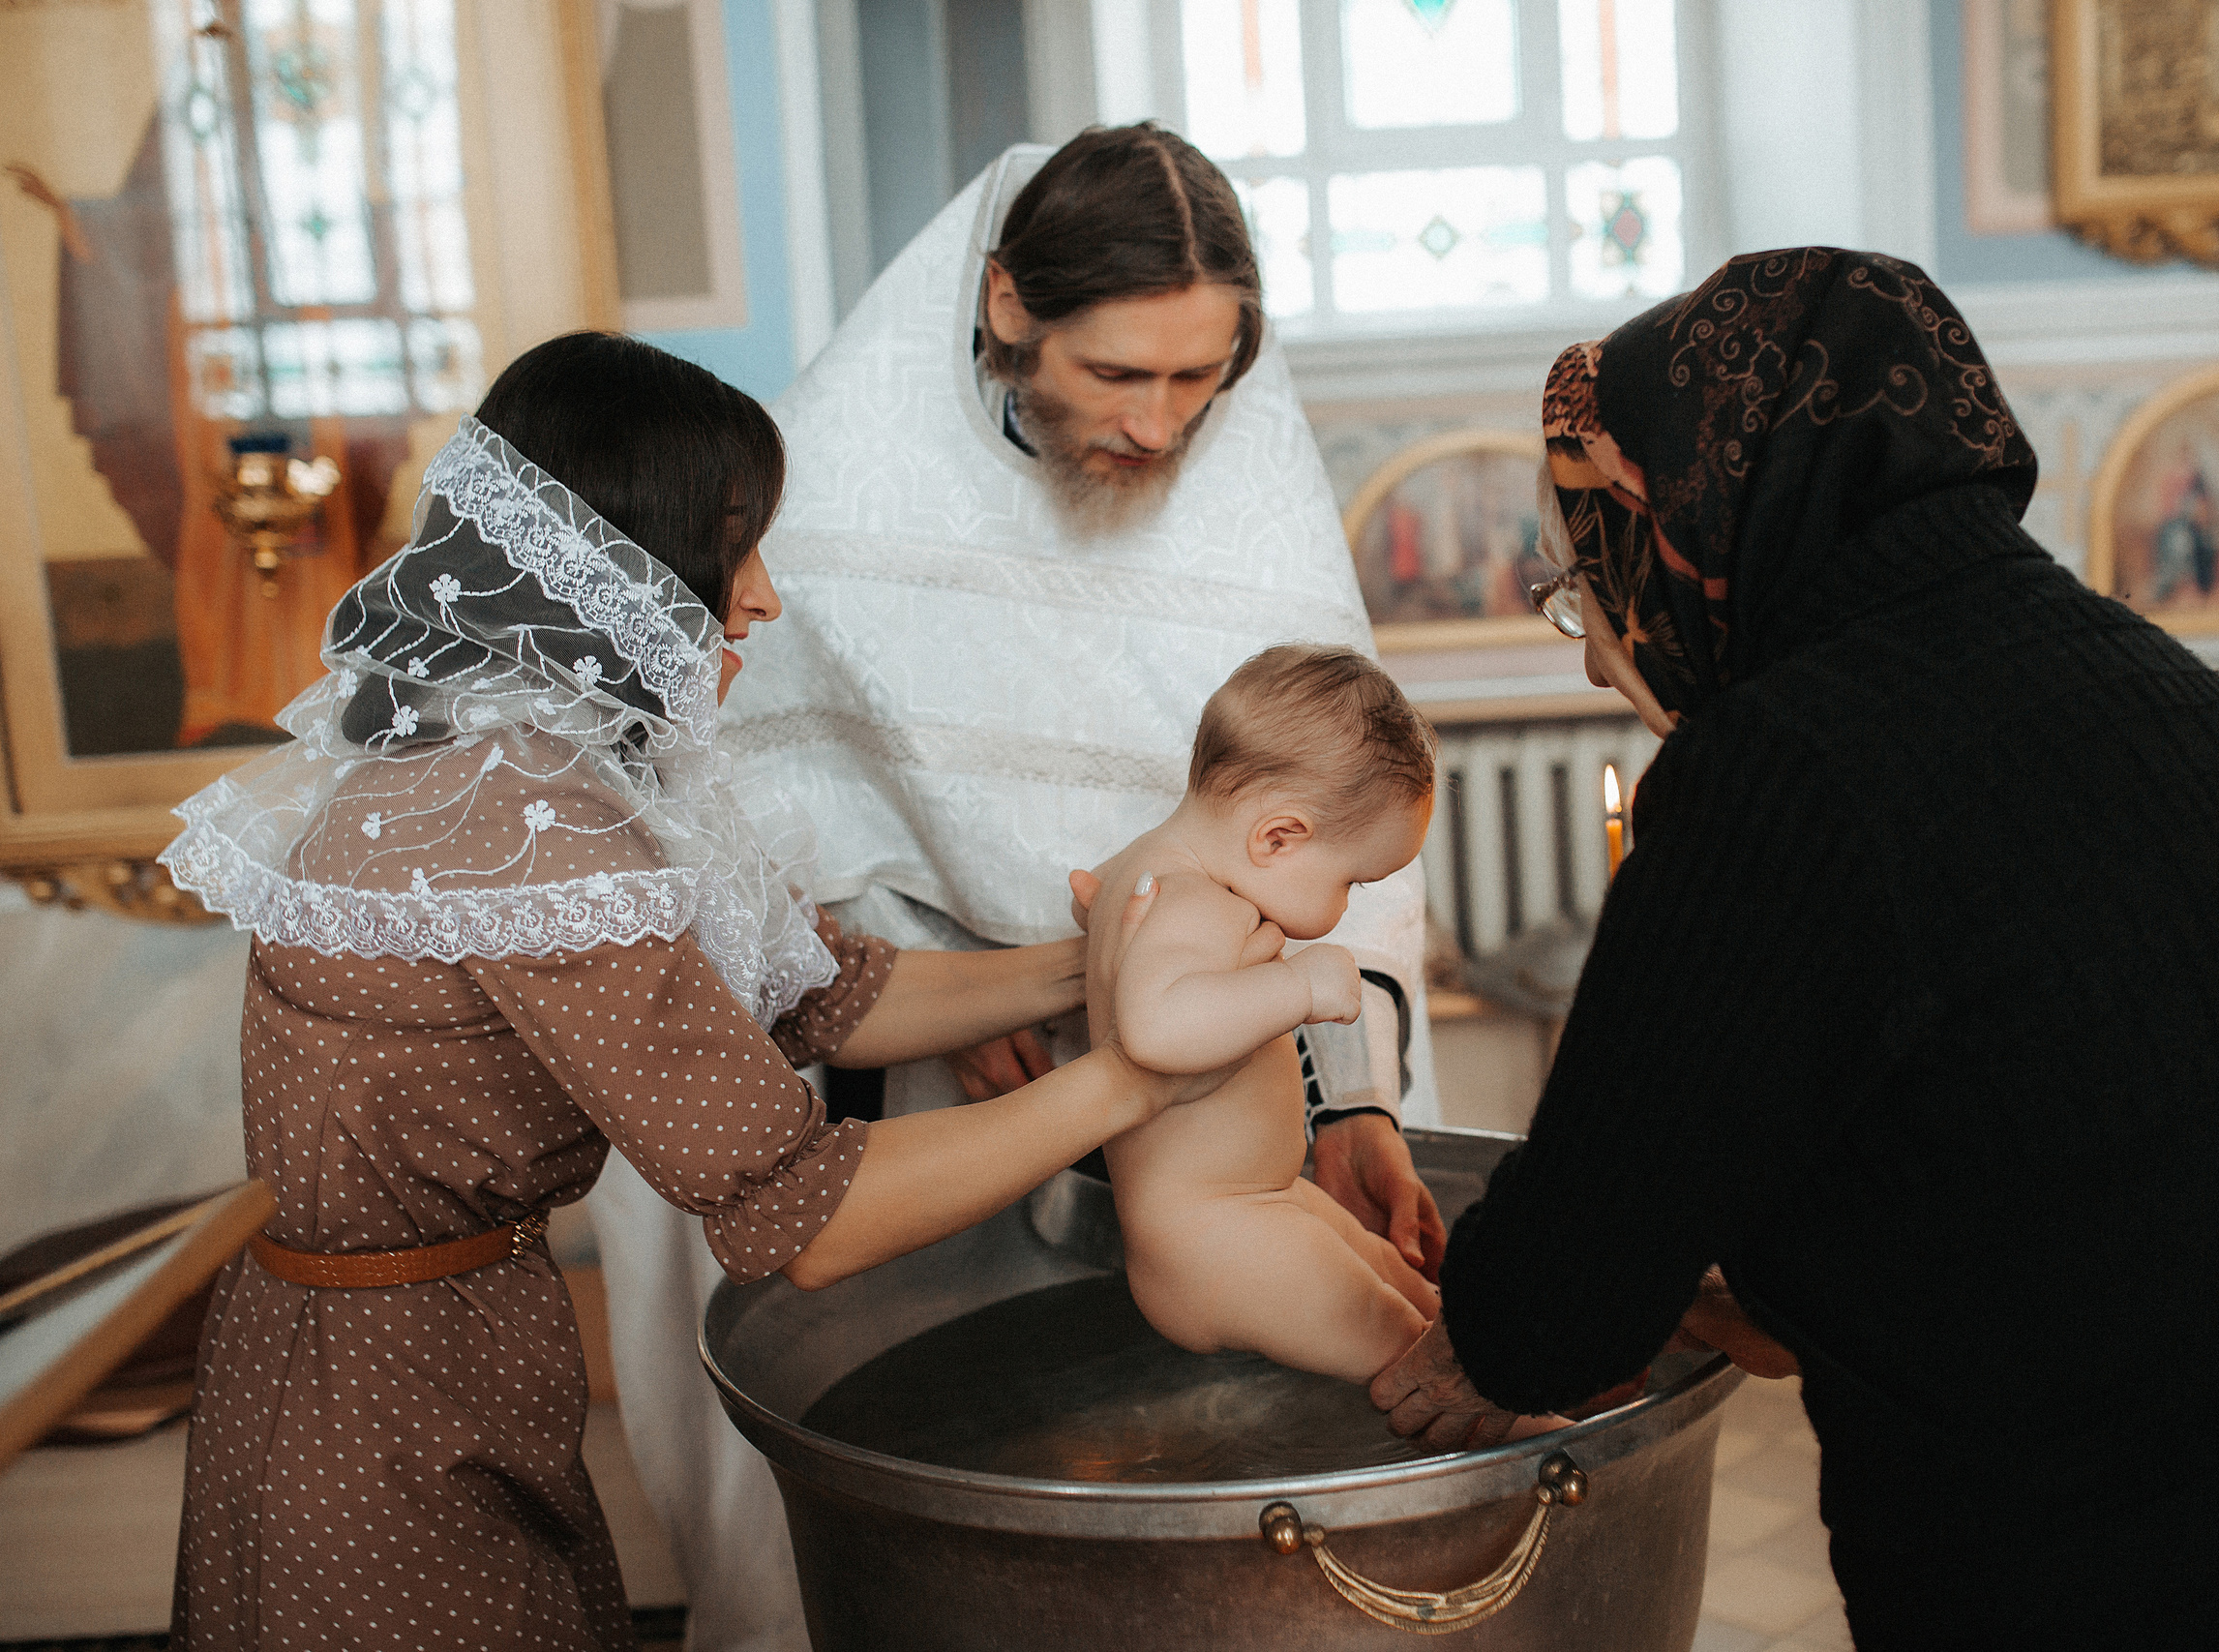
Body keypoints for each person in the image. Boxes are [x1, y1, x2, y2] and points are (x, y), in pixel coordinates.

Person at [1370, 249, 2219, 1649]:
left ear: (1679, 525)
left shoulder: (1781, 766)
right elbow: (2033, 1133)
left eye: (1579, 575)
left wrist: (1477, 1326)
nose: (1593, 652)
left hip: (2126, 1572)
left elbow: (1550, 1310)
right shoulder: (2152, 678)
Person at [162, 334, 1213, 1652]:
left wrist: (1097, 961)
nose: (763, 600)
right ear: (617, 562)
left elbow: (818, 993)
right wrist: (1142, 1069)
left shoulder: (522, 765)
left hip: (423, 1343)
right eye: (737, 548)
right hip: (379, 1408)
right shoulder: (521, 826)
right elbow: (802, 1215)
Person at [596, 124, 1445, 1649]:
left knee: (1251, 1467)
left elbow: (1338, 816)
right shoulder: (840, 483)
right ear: (1005, 308)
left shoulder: (1247, 494)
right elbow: (783, 839)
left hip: (1217, 1067)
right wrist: (949, 975)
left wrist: (1355, 1099)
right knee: (972, 1515)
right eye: (1120, 375)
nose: (1164, 425)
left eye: (1202, 378)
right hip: (936, 1077)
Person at [1084, 646, 1440, 1382]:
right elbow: (1156, 1025)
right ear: (1277, 837)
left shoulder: (1145, 869)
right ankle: (1543, 1438)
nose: (1347, 907)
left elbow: (1116, 932)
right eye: (1352, 882)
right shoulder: (1196, 900)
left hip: (1254, 1200)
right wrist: (1302, 987)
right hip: (1211, 1232)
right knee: (1403, 1345)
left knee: (1395, 1281)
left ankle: (1483, 1348)